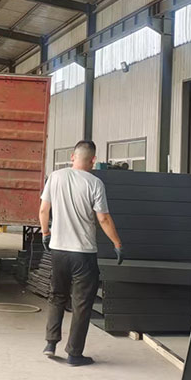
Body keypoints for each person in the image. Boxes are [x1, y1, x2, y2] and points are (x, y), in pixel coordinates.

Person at [39, 140, 123, 367]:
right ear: (93, 160)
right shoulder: (95, 183)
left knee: (57, 296)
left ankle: (50, 343)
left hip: (58, 250)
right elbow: (103, 218)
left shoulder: (55, 177)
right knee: (82, 303)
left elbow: (44, 209)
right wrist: (117, 243)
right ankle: (74, 354)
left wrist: (46, 233)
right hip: (83, 254)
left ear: (72, 156)